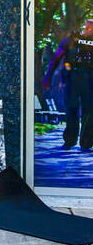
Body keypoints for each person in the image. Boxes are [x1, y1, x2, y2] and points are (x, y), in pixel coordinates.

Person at [43, 19, 93, 151]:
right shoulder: (71, 39)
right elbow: (56, 58)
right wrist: (47, 78)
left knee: (89, 111)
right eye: (88, 27)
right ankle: (70, 140)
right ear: (84, 27)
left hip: (90, 81)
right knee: (72, 109)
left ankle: (86, 142)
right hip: (73, 79)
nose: (89, 29)